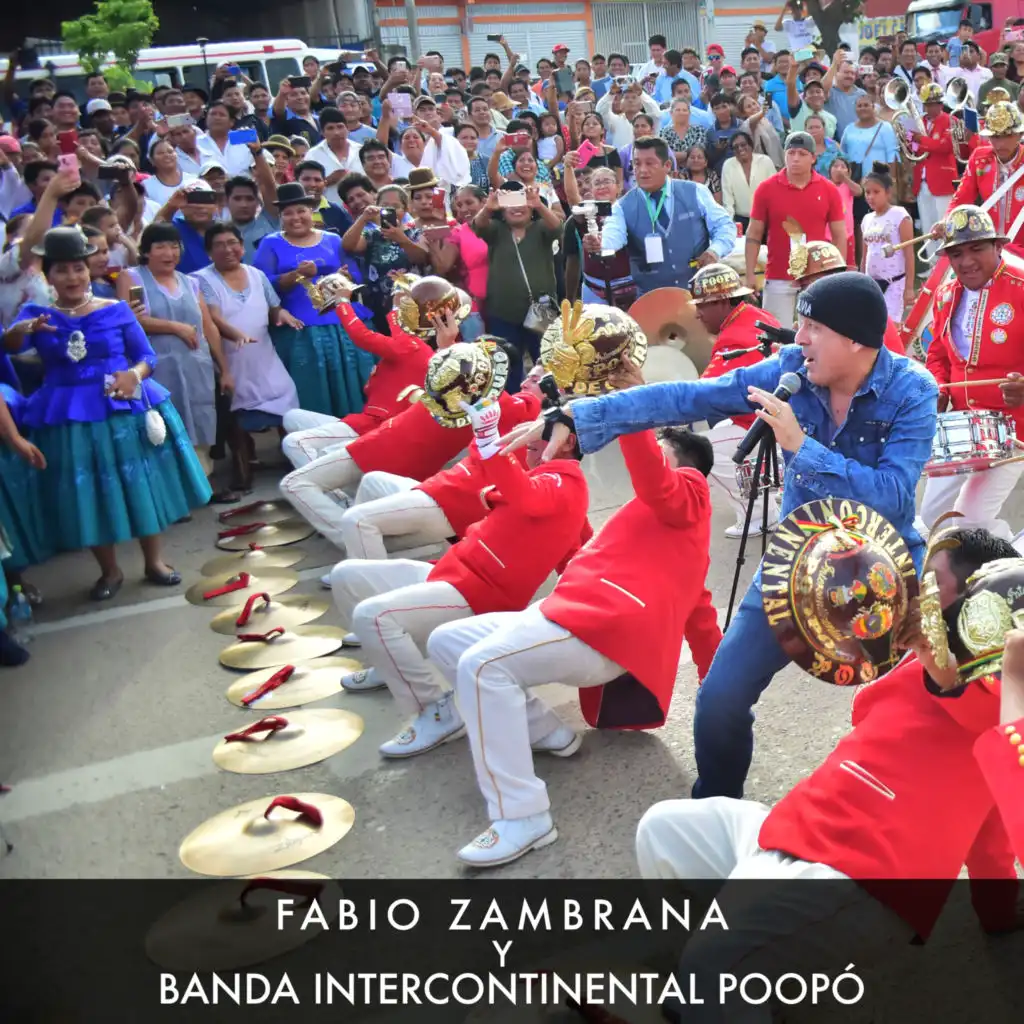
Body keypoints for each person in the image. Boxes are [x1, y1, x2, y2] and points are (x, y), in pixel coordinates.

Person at [503, 272, 939, 800]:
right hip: (797, 560)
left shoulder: (913, 389)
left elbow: (894, 494)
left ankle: (910, 821)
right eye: (799, 324)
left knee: (921, 704)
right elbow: (693, 397)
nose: (797, 338)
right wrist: (579, 412)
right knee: (720, 698)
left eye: (813, 327)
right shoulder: (790, 370)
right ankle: (715, 810)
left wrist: (803, 445)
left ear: (856, 340)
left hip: (885, 565)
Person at [636, 531, 1024, 1024]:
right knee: (663, 828)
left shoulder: (996, 687)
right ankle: (746, 975)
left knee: (704, 975)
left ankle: (718, 981)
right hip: (792, 829)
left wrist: (940, 658)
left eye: (932, 586)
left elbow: (986, 715)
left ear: (980, 603)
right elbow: (989, 830)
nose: (916, 596)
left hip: (857, 872)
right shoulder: (914, 660)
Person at [429, 419, 721, 866]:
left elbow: (657, 479)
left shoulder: (689, 490)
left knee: (483, 666)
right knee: (447, 642)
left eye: (659, 448)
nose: (648, 458)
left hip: (597, 626)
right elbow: (702, 622)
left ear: (685, 469)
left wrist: (631, 413)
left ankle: (523, 816)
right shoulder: (668, 531)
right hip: (564, 614)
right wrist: (718, 691)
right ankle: (548, 732)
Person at [331, 393, 590, 764]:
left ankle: (436, 711)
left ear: (565, 442)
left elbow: (530, 499)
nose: (527, 447)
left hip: (475, 592)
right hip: (455, 573)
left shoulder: (565, 482)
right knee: (348, 576)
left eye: (535, 442)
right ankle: (391, 662)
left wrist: (489, 441)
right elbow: (575, 551)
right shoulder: (553, 479)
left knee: (373, 616)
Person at [4, 228, 211, 600]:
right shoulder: (36, 315)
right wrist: (20, 329)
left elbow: (146, 357)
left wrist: (134, 375)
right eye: (62, 270)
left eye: (78, 269)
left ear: (89, 271)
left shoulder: (115, 310)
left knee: (141, 484)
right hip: (68, 417)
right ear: (48, 275)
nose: (72, 277)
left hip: (123, 408)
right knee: (91, 493)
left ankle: (154, 561)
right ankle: (109, 570)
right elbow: (9, 345)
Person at [921, 205, 1024, 541]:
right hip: (963, 428)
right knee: (931, 515)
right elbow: (936, 353)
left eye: (976, 248)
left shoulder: (1021, 287)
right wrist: (938, 388)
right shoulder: (945, 294)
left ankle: (1006, 575)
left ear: (998, 247)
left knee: (969, 521)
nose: (965, 261)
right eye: (956, 253)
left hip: (1014, 432)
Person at [252, 182, 375, 417]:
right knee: (312, 383)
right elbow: (262, 284)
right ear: (280, 216)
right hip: (302, 327)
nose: (295, 217)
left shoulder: (333, 239)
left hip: (344, 321)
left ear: (312, 211)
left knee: (357, 376)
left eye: (301, 211)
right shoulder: (271, 243)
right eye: (288, 213)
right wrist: (295, 275)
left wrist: (347, 276)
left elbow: (356, 276)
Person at [194, 223, 301, 493]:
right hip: (228, 361)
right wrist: (235, 334)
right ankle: (243, 471)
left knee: (286, 399)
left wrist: (282, 316)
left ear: (242, 247)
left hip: (264, 356)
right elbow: (214, 317)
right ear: (209, 252)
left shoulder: (256, 274)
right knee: (235, 415)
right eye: (219, 245)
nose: (227, 249)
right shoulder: (201, 280)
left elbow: (273, 309)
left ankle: (295, 462)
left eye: (232, 243)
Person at [118, 223, 229, 482]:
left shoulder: (190, 282)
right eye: (160, 247)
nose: (169, 253)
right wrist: (175, 327)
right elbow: (127, 319)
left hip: (195, 366)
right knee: (164, 425)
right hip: (157, 369)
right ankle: (174, 491)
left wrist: (224, 368)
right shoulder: (131, 277)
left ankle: (200, 485)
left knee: (200, 421)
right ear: (146, 252)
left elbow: (208, 326)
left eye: (174, 246)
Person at [689, 263, 782, 538]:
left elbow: (702, 394)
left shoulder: (734, 338)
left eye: (702, 305)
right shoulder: (755, 315)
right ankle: (770, 488)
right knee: (721, 430)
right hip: (780, 420)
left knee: (700, 449)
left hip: (773, 429)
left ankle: (758, 515)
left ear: (721, 302)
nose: (697, 314)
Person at [595, 137, 735, 297]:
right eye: (637, 163)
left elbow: (725, 226)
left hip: (699, 294)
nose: (642, 170)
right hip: (653, 300)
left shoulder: (696, 192)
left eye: (649, 163)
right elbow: (611, 237)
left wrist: (715, 251)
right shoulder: (622, 206)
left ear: (667, 165)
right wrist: (600, 243)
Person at [745, 132, 847, 325]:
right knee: (774, 334)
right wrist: (750, 273)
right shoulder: (766, 189)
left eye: (801, 153)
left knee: (816, 333)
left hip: (817, 275)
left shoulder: (829, 190)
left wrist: (837, 274)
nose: (795, 159)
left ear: (813, 158)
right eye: (791, 153)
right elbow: (754, 233)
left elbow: (839, 235)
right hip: (778, 274)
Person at [473, 182, 562, 393]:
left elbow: (557, 227)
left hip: (542, 313)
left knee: (547, 360)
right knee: (507, 363)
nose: (517, 207)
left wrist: (539, 205)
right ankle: (513, 403)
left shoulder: (540, 229)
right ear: (502, 210)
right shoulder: (496, 231)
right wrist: (488, 207)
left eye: (522, 201)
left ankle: (550, 401)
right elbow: (478, 225)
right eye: (510, 203)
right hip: (504, 313)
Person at [945, 102, 1024, 248]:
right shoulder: (979, 158)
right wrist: (946, 221)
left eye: (1007, 136)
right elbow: (961, 198)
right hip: (990, 246)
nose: (1000, 144)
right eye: (994, 137)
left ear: (1020, 134)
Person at [860, 162, 915, 321]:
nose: (871, 196)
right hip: (872, 284)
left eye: (876, 192)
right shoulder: (867, 219)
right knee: (871, 325)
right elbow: (865, 255)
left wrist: (909, 288)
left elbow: (909, 254)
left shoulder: (899, 215)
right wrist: (863, 281)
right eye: (867, 192)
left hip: (894, 283)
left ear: (888, 192)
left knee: (890, 327)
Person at [911, 83, 958, 250]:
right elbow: (913, 148)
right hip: (922, 179)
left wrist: (921, 141)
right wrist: (911, 141)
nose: (931, 107)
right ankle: (931, 265)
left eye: (935, 103)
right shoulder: (919, 122)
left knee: (943, 222)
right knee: (927, 223)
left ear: (941, 104)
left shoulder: (951, 120)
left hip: (942, 179)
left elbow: (945, 147)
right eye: (928, 104)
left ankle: (945, 265)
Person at [721, 132, 775, 229]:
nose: (740, 149)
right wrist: (730, 223)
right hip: (741, 220)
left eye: (743, 144)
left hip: (766, 218)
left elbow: (775, 191)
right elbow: (727, 199)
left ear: (751, 145)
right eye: (735, 147)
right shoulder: (728, 165)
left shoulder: (765, 161)